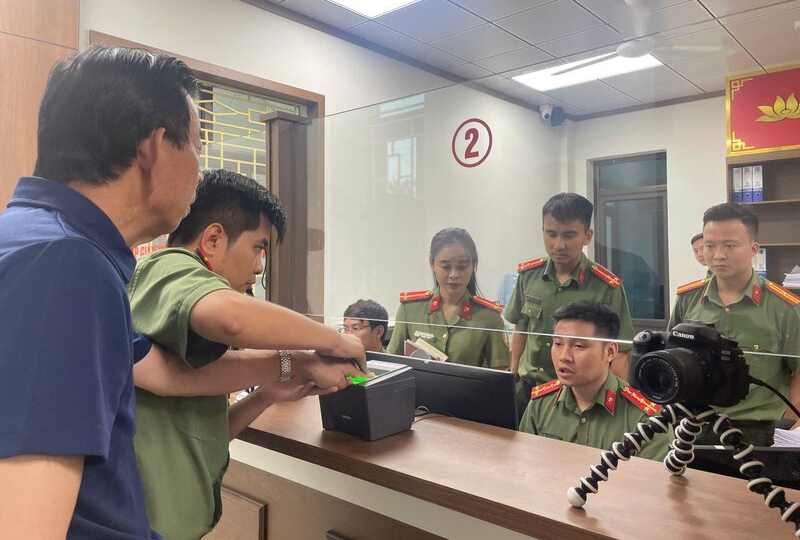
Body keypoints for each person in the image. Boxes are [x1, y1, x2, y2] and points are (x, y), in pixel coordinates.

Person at [0, 45, 204, 539]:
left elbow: (155, 371)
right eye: (198, 145)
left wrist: (286, 367)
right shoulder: (66, 267)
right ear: (154, 148)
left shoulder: (30, 236)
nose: (201, 170)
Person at [129, 170, 365, 540]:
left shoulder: (175, 307)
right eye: (258, 248)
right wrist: (335, 341)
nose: (258, 267)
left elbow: (200, 429)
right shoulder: (169, 266)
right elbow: (231, 318)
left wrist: (266, 395)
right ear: (213, 239)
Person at [669, 202, 800, 446]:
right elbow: (672, 357)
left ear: (753, 248)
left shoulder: (784, 308)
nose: (718, 255)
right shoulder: (688, 299)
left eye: (730, 245)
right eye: (710, 246)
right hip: (692, 427)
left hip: (754, 432)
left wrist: (785, 420)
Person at [504, 193, 634, 419]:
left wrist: (616, 405)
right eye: (551, 234)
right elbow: (521, 328)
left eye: (569, 235)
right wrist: (512, 373)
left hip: (578, 398)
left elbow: (620, 352)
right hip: (528, 392)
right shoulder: (529, 276)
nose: (558, 245)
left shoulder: (606, 286)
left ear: (587, 236)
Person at [519, 302, 671, 461]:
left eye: (578, 346)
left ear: (610, 352)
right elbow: (525, 465)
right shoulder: (541, 404)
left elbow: (655, 477)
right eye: (557, 344)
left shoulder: (645, 419)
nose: (564, 356)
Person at [387, 228, 509, 368]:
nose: (454, 275)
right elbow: (391, 362)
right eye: (445, 266)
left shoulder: (489, 317)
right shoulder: (410, 309)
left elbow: (500, 373)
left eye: (462, 267)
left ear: (473, 265)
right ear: (432, 263)